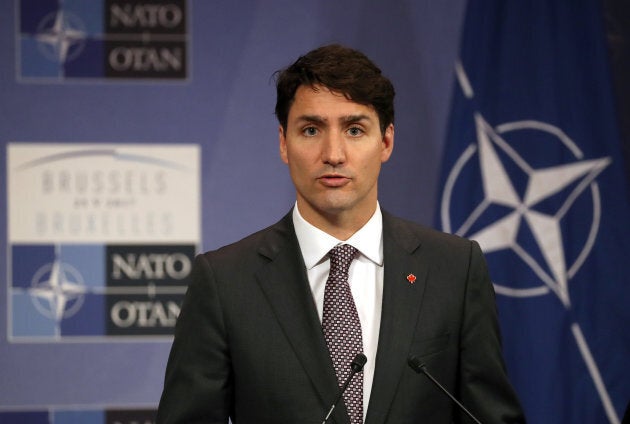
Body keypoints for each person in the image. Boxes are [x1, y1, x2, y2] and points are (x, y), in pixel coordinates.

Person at [157, 44, 526, 423]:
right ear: (284, 143)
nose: (333, 153)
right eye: (311, 129)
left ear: (386, 142)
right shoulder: (225, 282)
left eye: (354, 129)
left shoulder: (454, 269)